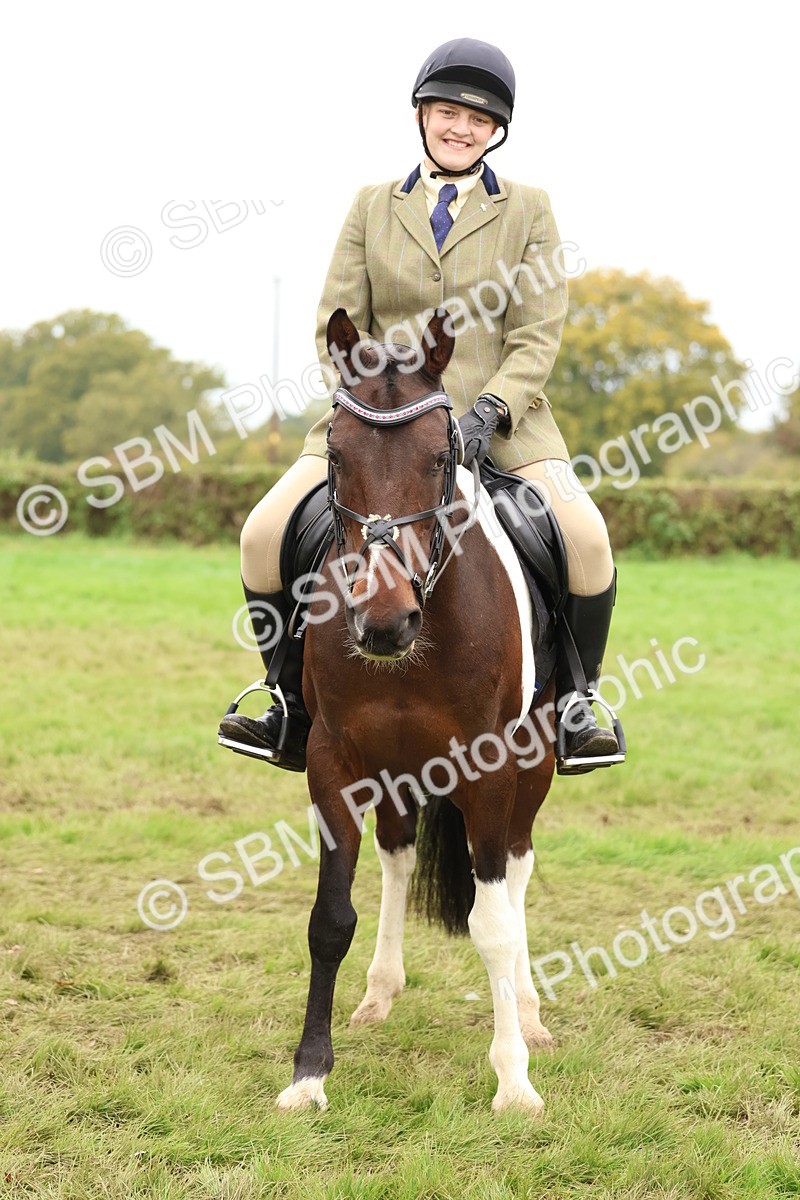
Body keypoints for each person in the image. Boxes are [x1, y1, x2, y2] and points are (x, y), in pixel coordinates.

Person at [218, 37, 625, 776]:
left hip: (503, 423)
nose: (460, 128)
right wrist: (375, 410)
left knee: (587, 537)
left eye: (477, 119)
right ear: (421, 116)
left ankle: (577, 703)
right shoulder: (373, 205)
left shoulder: (529, 209)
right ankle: (284, 701)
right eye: (446, 113)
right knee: (260, 531)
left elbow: (536, 333)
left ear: (497, 130)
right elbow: (336, 322)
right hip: (379, 425)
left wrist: (488, 410)